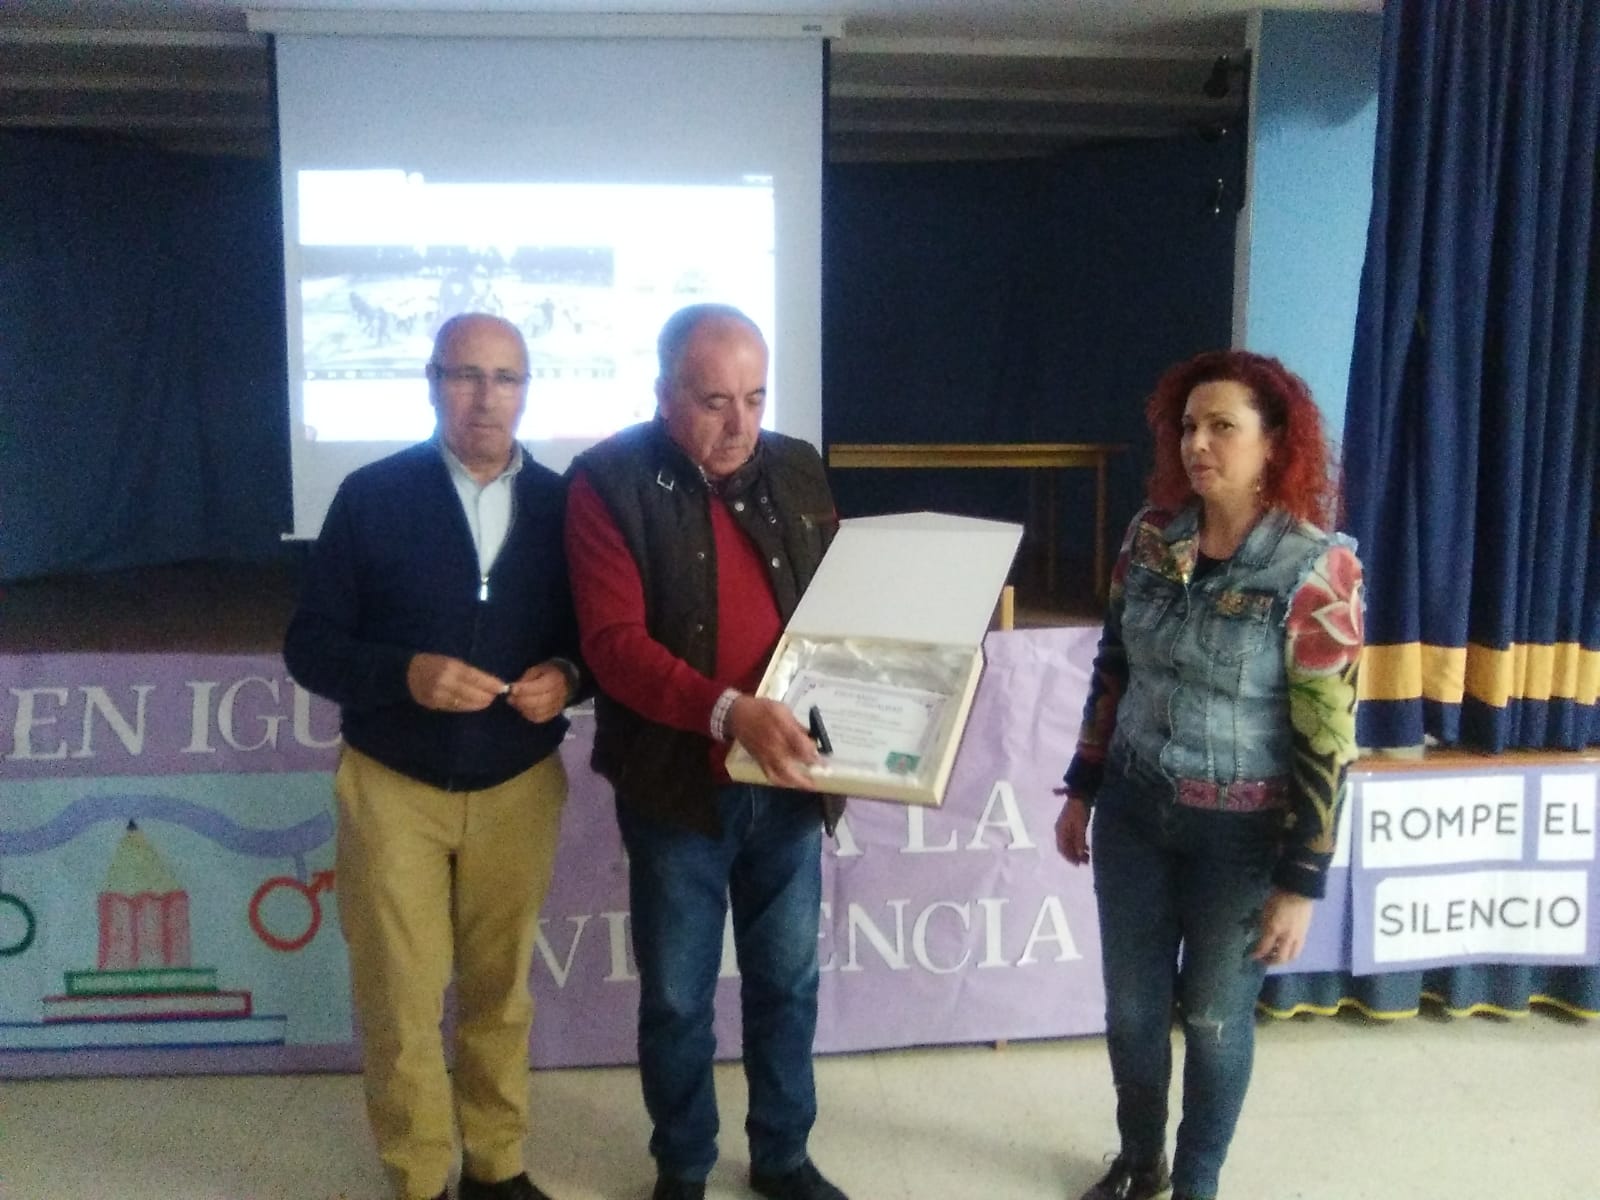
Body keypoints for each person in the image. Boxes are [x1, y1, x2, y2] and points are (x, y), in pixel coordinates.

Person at [284, 313, 582, 1200]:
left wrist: (571, 676)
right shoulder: (371, 495)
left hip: (519, 784)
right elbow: (309, 646)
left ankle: (496, 1167)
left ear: (525, 391)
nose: (485, 397)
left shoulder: (567, 506)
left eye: (505, 378)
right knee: (401, 1000)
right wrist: (402, 674)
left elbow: (597, 640)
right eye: (465, 375)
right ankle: (418, 1178)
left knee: (501, 993)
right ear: (431, 381)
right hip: (392, 784)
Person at [1054, 350, 1364, 1200]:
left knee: (1217, 1022)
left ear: (1275, 444)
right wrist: (1082, 787)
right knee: (1132, 1012)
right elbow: (1113, 666)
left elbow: (1328, 739)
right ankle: (1139, 1161)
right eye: (1189, 426)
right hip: (1133, 814)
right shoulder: (1150, 539)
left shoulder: (1317, 569)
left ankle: (1198, 1182)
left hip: (1242, 837)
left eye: (1223, 427)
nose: (1198, 444)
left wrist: (1300, 881)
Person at [564, 304, 848, 1200]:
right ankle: (683, 1165)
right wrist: (730, 713)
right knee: (678, 998)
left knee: (787, 984)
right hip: (676, 787)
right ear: (663, 394)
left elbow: (837, 610)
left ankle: (782, 1157)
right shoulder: (607, 481)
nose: (740, 426)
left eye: (755, 399)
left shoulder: (796, 467)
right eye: (714, 401)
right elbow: (612, 647)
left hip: (788, 777)